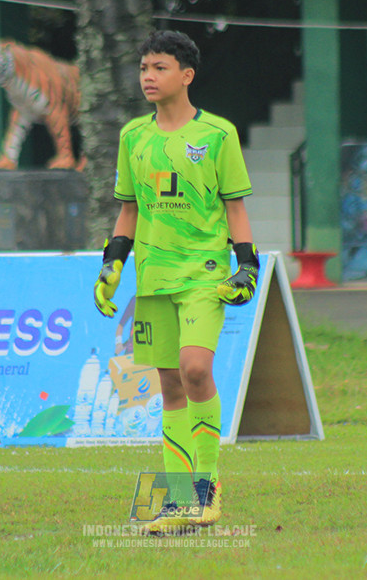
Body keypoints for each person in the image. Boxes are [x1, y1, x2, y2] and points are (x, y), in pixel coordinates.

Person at [92, 30, 259, 535]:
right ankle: (180, 501)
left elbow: (235, 207)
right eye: (144, 67)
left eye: (159, 67)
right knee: (168, 385)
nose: (148, 76)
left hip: (204, 274)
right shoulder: (133, 138)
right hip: (153, 278)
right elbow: (128, 210)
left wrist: (247, 265)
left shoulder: (218, 135)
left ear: (186, 75)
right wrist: (112, 262)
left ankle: (207, 489)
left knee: (194, 370)